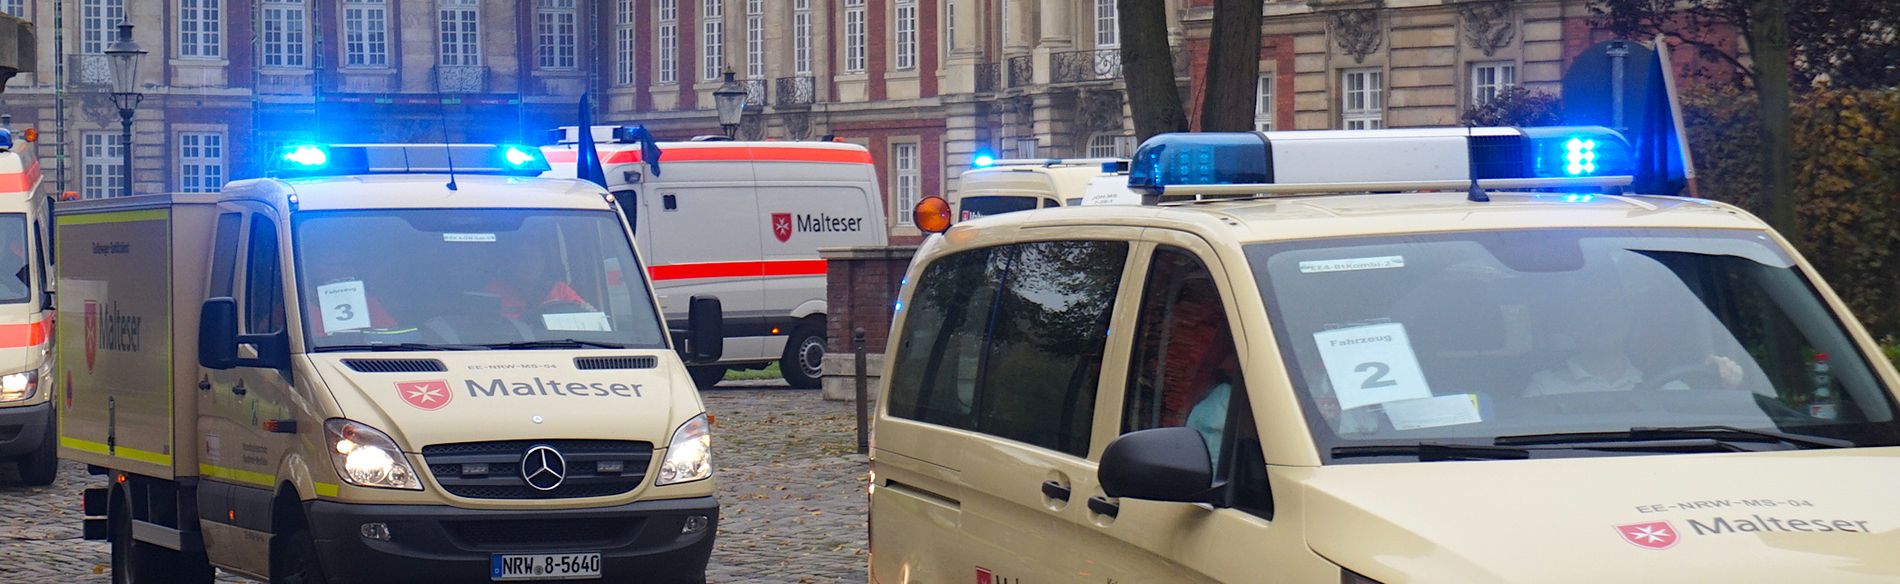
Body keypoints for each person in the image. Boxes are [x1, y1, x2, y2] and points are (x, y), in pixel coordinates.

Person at [1524, 303, 1744, 397]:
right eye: (1590, 315)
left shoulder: (1669, 387)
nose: (1601, 321)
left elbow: (1714, 426)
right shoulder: (1545, 388)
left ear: (1629, 323)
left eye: (1610, 312)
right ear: (1573, 327)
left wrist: (1725, 384)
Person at [485, 243, 593, 320]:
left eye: (534, 259)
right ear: (512, 263)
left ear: (543, 263)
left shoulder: (560, 290)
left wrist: (589, 313)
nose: (528, 265)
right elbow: (483, 322)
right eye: (523, 259)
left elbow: (584, 312)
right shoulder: (496, 291)